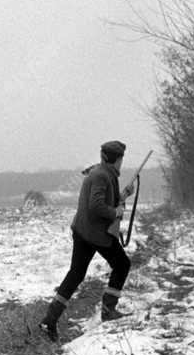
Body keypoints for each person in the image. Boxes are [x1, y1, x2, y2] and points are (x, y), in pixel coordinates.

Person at [40, 141, 135, 342]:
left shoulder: (100, 172)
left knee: (76, 274)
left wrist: (123, 196)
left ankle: (49, 320)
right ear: (117, 159)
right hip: (96, 234)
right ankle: (109, 310)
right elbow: (96, 206)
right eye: (121, 159)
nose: (121, 163)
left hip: (83, 231)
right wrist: (116, 211)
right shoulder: (102, 175)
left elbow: (103, 199)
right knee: (122, 264)